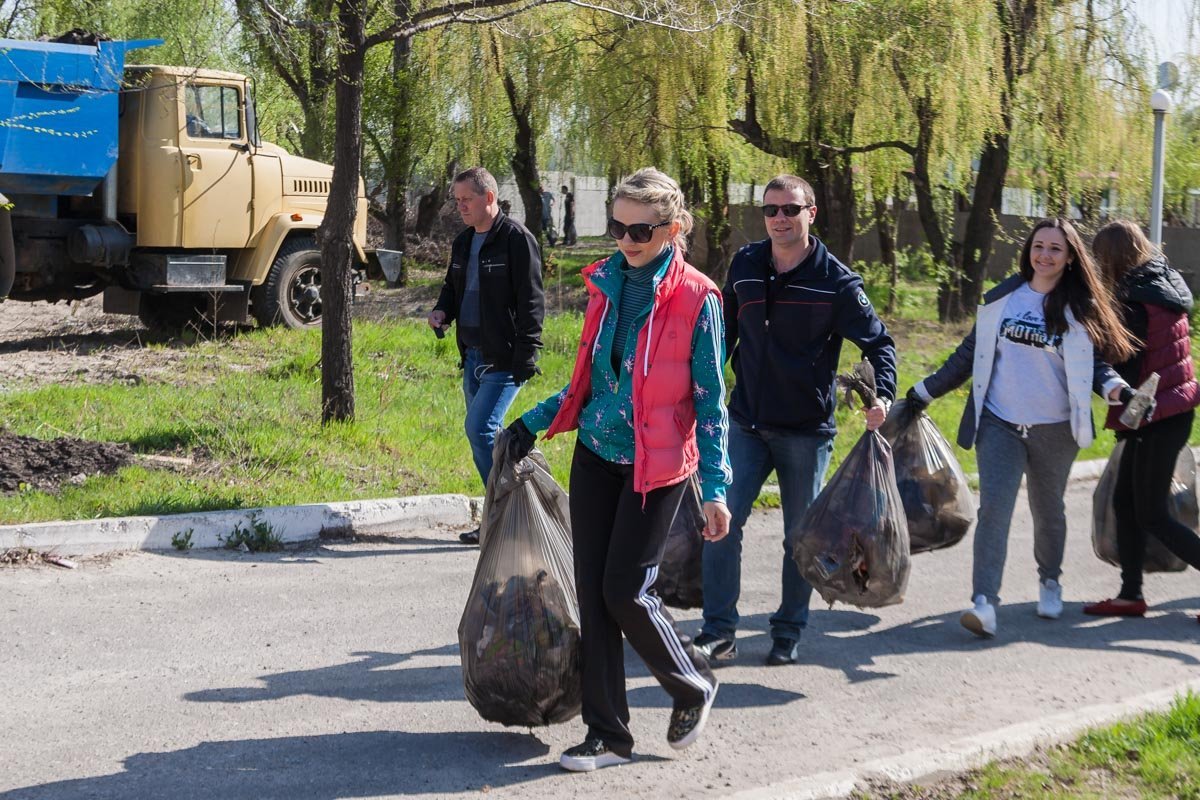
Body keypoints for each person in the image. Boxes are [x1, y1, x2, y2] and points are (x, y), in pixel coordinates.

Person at [504, 167, 732, 771]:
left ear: (673, 228)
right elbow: (594, 382)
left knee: (625, 590)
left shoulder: (697, 298)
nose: (626, 240)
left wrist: (716, 489)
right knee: (594, 596)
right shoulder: (606, 284)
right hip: (596, 456)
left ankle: (692, 684)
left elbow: (711, 401)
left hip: (656, 467)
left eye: (640, 229)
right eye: (618, 226)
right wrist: (534, 420)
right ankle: (608, 733)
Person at [696, 174, 896, 668]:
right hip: (744, 420)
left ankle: (788, 630)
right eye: (770, 210)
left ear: (811, 213)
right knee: (721, 521)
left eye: (790, 209)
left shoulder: (837, 282)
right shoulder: (745, 264)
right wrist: (699, 388)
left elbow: (880, 344)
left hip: (806, 430)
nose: (779, 219)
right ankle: (719, 631)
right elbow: (722, 334)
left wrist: (883, 397)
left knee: (799, 537)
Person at [908, 218, 1137, 638]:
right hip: (999, 423)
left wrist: (1117, 390)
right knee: (995, 509)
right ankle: (984, 604)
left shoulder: (1077, 308)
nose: (1044, 255)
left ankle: (1050, 579)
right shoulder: (1002, 300)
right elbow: (966, 357)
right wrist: (921, 392)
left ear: (1070, 259)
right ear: (1028, 251)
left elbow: (1094, 366)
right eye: (1039, 246)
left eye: (1055, 249)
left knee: (1048, 509)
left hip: (1055, 428)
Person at [1083, 220, 1200, 622]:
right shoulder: (1164, 287)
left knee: (1151, 512)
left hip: (1155, 416)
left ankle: (1132, 592)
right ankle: (1130, 594)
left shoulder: (1132, 302)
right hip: (1168, 412)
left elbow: (1126, 369)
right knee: (1125, 503)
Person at [429, 167, 545, 546]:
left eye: (466, 199)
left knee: (479, 429)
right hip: (473, 354)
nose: (459, 206)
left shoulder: (516, 240)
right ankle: (523, 507)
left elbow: (532, 301)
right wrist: (442, 311)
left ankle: (501, 514)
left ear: (489, 198)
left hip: (506, 357)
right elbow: (452, 286)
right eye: (457, 199)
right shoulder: (463, 242)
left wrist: (527, 354)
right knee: (492, 439)